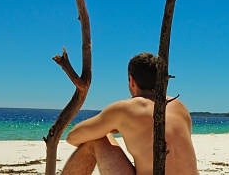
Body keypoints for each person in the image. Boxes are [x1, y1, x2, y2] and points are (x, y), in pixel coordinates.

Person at [62, 52, 198, 175]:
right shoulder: (180, 107)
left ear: (132, 81)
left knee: (96, 139)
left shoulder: (125, 109)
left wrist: (107, 129)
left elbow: (73, 137)